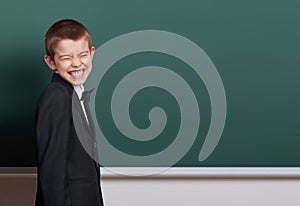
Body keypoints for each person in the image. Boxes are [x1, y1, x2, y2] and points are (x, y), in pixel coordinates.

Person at [35, 19, 104, 206]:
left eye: (82, 55)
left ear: (92, 53)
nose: (76, 63)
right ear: (51, 62)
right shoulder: (56, 95)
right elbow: (52, 169)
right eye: (66, 58)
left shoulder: (76, 93)